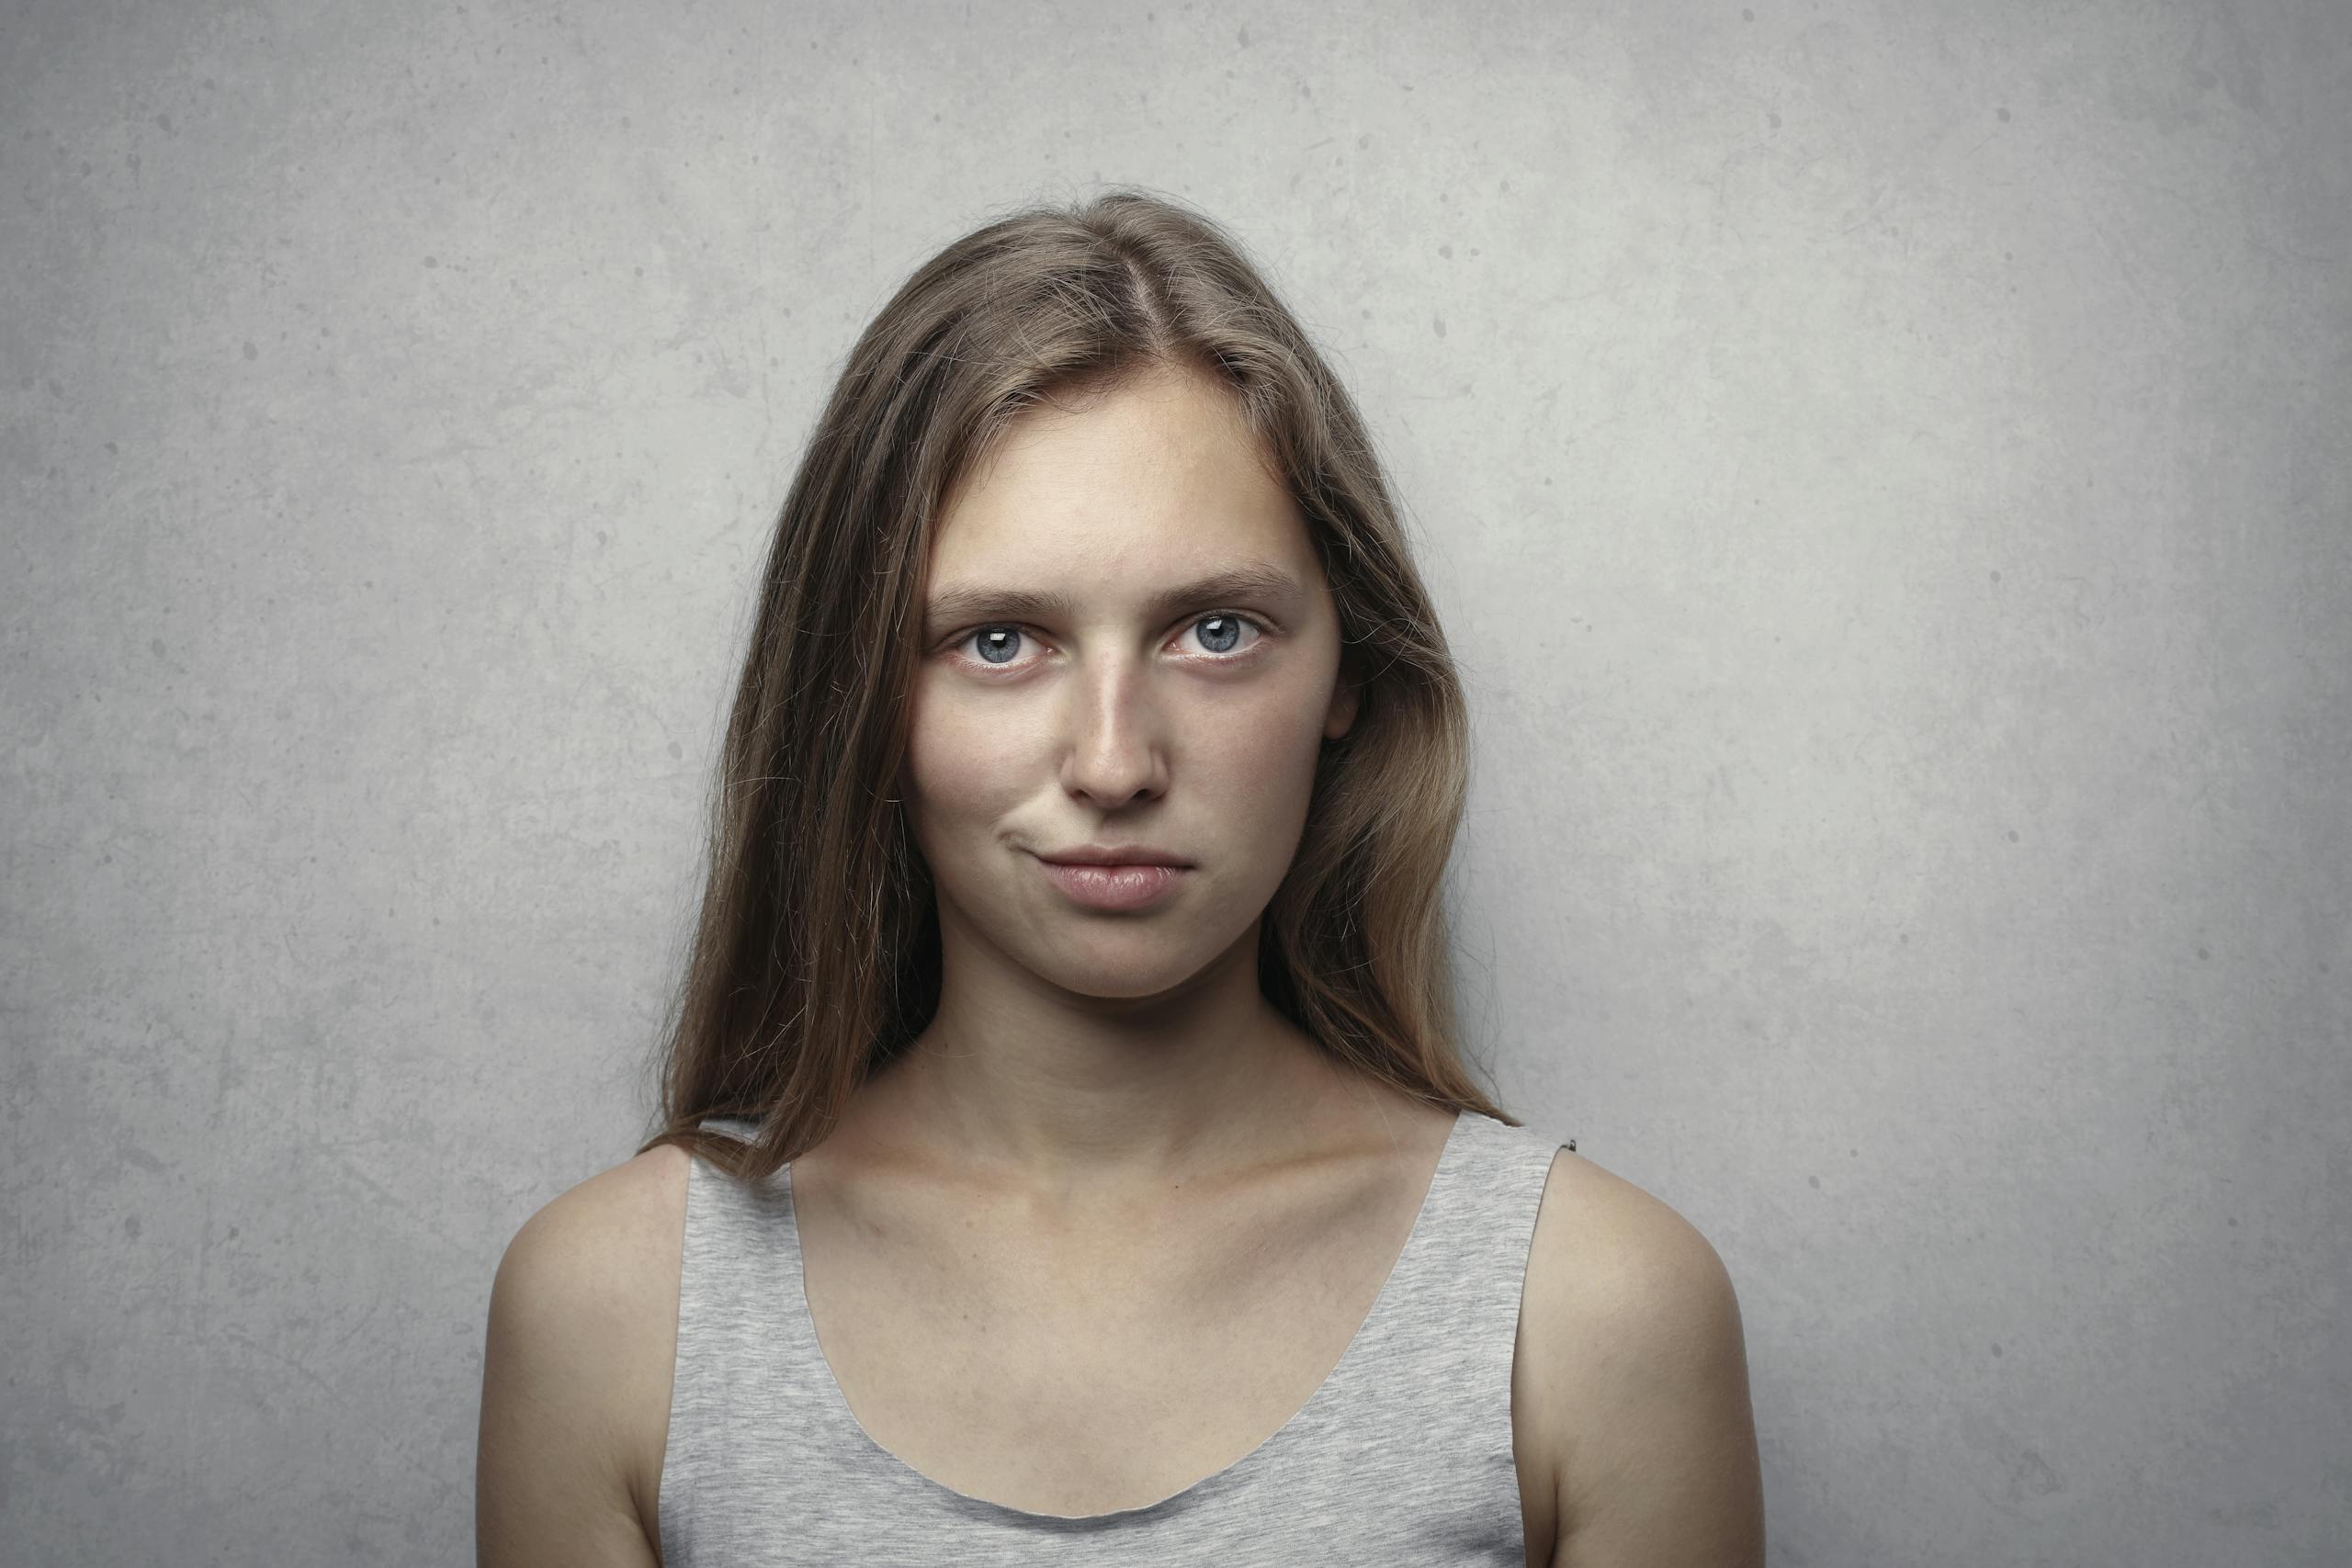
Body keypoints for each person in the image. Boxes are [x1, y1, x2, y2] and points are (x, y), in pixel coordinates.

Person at [474, 188, 1764, 1566]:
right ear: (859, 691)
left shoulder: (1595, 1318)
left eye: (1215, 631)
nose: (1113, 761)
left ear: (1349, 673)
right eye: (999, 641)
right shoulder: (617, 1316)